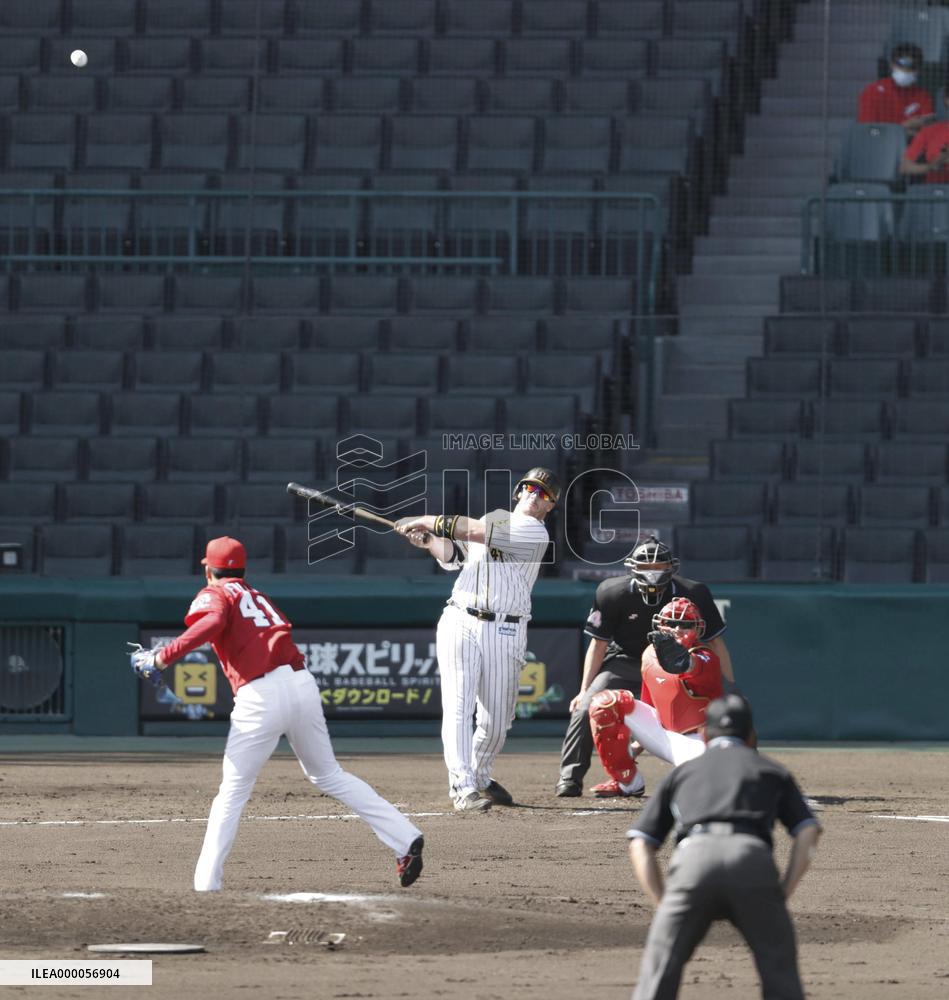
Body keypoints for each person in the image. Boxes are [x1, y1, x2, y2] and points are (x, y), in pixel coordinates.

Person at [128, 535, 425, 891]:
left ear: (208, 569)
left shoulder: (217, 592)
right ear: (242, 568)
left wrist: (162, 657)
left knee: (233, 791)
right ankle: (404, 837)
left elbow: (211, 622)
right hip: (299, 683)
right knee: (329, 774)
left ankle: (206, 885)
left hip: (260, 695)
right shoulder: (257, 595)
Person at [626, 695, 822, 1000]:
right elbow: (808, 831)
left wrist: (662, 900)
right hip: (751, 861)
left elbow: (641, 842)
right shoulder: (771, 770)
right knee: (779, 969)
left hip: (693, 863)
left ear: (705, 734)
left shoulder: (682, 772)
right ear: (750, 735)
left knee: (661, 966)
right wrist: (783, 890)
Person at [394, 467, 557, 812]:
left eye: (542, 492)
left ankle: (480, 774)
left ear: (550, 505)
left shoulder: (534, 532)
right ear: (518, 492)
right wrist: (427, 541)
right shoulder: (494, 517)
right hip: (461, 617)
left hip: (507, 628)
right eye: (528, 487)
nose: (533, 494)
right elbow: (454, 557)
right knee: (458, 704)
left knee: (497, 721)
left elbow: (475, 530)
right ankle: (462, 785)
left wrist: (425, 519)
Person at [555, 535, 733, 798]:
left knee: (722, 716)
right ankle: (573, 777)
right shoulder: (612, 592)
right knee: (590, 705)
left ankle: (730, 768)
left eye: (659, 567)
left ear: (672, 567)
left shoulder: (694, 593)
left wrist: (730, 685)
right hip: (626, 660)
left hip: (678, 666)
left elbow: (716, 643)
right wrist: (583, 691)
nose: (653, 573)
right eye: (646, 567)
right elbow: (598, 644)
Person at [588, 597, 723, 797]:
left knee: (701, 792)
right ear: (660, 624)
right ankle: (627, 781)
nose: (677, 629)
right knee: (604, 703)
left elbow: (693, 665)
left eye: (685, 624)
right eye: (670, 623)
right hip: (662, 732)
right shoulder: (650, 653)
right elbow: (651, 706)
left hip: (696, 740)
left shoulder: (706, 656)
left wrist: (683, 662)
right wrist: (631, 750)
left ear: (698, 629)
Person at [857, 43, 933, 136]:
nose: (905, 70)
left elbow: (928, 131)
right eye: (901, 65)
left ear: (918, 70)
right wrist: (899, 131)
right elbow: (868, 130)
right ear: (892, 65)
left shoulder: (923, 96)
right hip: (879, 145)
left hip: (911, 147)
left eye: (911, 67)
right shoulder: (872, 91)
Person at [899, 81, 949, 183]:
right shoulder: (929, 131)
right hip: (933, 191)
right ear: (946, 100)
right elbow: (904, 167)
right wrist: (929, 166)